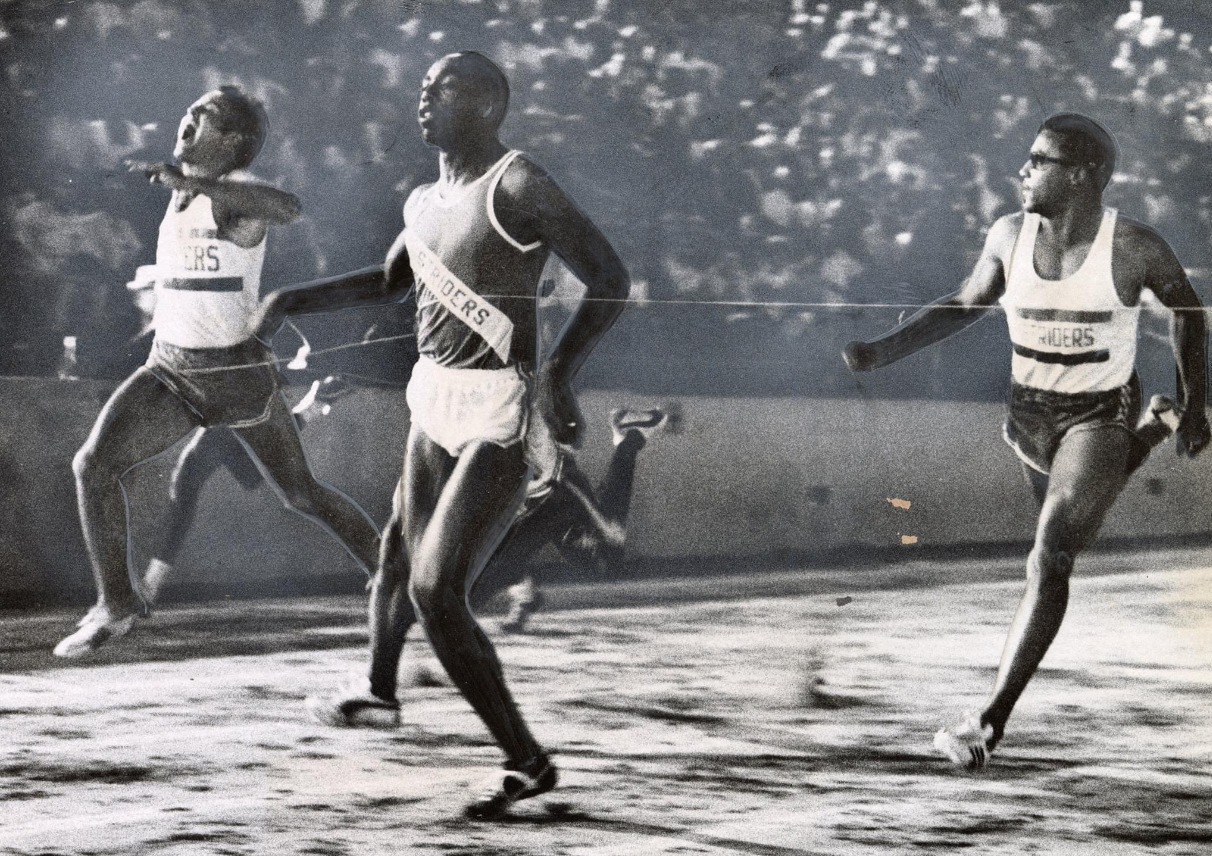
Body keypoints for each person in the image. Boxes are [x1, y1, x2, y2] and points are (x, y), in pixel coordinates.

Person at [280, 52, 630, 819]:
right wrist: (288, 300)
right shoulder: (421, 200)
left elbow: (611, 277)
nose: (424, 99)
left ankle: (527, 762)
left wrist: (559, 371)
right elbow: (390, 282)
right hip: (433, 397)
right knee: (394, 558)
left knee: (436, 591)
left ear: (488, 104)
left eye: (442, 89)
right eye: (423, 88)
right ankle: (379, 692)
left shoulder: (518, 184)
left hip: (497, 407)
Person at [842, 113, 1209, 770]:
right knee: (1074, 531)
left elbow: (1187, 311)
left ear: (1083, 175)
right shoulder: (1008, 235)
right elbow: (964, 303)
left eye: (1040, 160)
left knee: (1051, 556)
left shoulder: (1132, 247)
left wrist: (1200, 402)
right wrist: (883, 351)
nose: (1023, 170)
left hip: (1098, 413)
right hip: (1028, 418)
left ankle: (989, 721)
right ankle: (1153, 429)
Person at [55, 87, 381, 657]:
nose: (185, 119)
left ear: (232, 140)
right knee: (94, 465)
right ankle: (118, 603)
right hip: (169, 368)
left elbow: (288, 207)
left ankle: (389, 571)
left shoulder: (234, 195)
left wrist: (197, 185)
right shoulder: (183, 192)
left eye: (201, 116)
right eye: (188, 110)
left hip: (234, 376)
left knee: (300, 495)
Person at [481, 405, 677, 634]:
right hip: (535, 493)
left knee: (604, 557)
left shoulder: (555, 471)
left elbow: (575, 489)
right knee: (497, 553)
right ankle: (525, 596)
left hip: (556, 495)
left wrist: (606, 527)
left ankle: (631, 439)